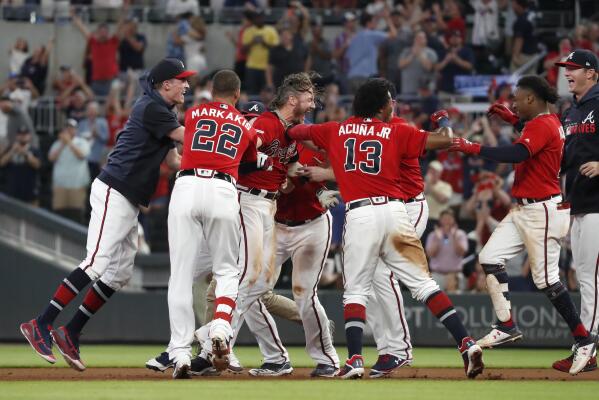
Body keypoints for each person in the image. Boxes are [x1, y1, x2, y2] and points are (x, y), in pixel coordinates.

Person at [287, 78, 484, 380]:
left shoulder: (335, 129)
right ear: (382, 107)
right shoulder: (396, 130)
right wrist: (444, 121)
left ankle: (355, 360)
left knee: (355, 290)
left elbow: (295, 130)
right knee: (423, 285)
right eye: (391, 101)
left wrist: (286, 120)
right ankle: (466, 342)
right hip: (394, 211)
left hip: (361, 214)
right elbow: (444, 140)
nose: (394, 105)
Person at [19, 58, 192, 372]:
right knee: (97, 262)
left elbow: (175, 159)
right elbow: (189, 138)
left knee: (118, 273)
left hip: (128, 196)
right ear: (166, 84)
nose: (187, 85)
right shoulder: (151, 107)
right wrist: (227, 131)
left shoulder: (165, 111)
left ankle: (70, 331)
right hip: (115, 188)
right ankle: (40, 323)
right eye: (182, 80)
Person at [450, 75, 596, 375]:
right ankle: (506, 324)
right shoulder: (548, 121)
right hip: (525, 208)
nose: (513, 101)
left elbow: (519, 153)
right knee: (489, 257)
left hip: (542, 210)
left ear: (532, 99)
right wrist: (514, 120)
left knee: (546, 281)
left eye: (518, 98)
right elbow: (532, 136)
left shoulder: (542, 124)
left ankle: (584, 339)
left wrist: (472, 147)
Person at [194, 72, 316, 377]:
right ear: (292, 99)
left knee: (260, 285)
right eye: (308, 96)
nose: (313, 102)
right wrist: (263, 165)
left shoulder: (290, 133)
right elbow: (240, 152)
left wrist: (325, 177)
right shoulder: (266, 123)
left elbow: (290, 170)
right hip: (247, 200)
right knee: (247, 278)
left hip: (268, 205)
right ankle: (213, 348)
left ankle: (269, 355)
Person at [164, 69, 268, 378]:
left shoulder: (195, 112)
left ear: (211, 89)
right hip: (223, 189)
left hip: (186, 186)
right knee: (226, 270)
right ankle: (221, 326)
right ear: (237, 95)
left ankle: (180, 353)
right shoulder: (243, 125)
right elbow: (252, 156)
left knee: (180, 275)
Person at [553, 49, 599, 373]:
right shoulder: (571, 111)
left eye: (572, 68)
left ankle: (586, 346)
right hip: (580, 204)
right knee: (585, 279)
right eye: (565, 68)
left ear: (591, 73)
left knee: (591, 279)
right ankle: (586, 347)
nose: (566, 73)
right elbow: (564, 160)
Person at [48, 119, 91, 223]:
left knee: (76, 215)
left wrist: (69, 142)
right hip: (60, 186)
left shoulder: (82, 142)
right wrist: (63, 144)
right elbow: (51, 158)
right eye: (67, 128)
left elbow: (82, 155)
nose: (68, 130)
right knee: (59, 215)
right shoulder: (57, 143)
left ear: (76, 130)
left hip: (77, 186)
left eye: (71, 128)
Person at [425, 209, 468, 292]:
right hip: (437, 275)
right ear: (440, 220)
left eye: (449, 218)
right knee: (436, 301)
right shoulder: (433, 235)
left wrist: (454, 237)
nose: (447, 221)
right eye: (444, 219)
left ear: (454, 220)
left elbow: (462, 252)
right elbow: (430, 254)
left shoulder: (460, 234)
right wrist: (438, 239)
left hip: (455, 275)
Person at [0, 126, 41, 205]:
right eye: (20, 134)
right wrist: (12, 151)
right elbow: (1, 163)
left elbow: (37, 165)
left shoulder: (34, 150)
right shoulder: (10, 149)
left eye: (25, 134)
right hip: (12, 191)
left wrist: (25, 153)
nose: (22, 137)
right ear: (17, 136)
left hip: (29, 192)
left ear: (29, 136)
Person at [242, 10, 280, 95]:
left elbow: (277, 49)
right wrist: (252, 42)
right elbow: (242, 50)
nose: (259, 19)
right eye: (256, 17)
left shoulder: (271, 30)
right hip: (252, 67)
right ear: (254, 19)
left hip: (267, 68)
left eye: (260, 17)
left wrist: (265, 43)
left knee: (267, 93)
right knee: (251, 93)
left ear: (263, 18)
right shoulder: (248, 31)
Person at [77, 101, 109, 180]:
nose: (91, 112)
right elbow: (77, 139)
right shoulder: (82, 123)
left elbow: (106, 138)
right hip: (84, 158)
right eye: (89, 110)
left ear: (97, 111)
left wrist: (97, 134)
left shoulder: (102, 122)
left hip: (97, 158)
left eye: (93, 110)